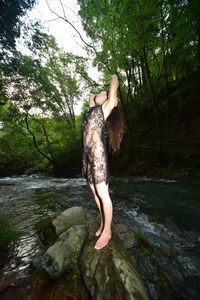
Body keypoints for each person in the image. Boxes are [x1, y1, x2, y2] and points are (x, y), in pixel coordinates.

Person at [81, 74, 124, 250]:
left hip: (97, 155)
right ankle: (103, 222)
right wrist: (95, 96)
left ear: (107, 98)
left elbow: (114, 87)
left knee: (102, 192)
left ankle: (107, 231)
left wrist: (113, 79)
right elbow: (90, 98)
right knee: (94, 192)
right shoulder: (92, 110)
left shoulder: (104, 109)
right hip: (85, 156)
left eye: (102, 93)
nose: (98, 94)